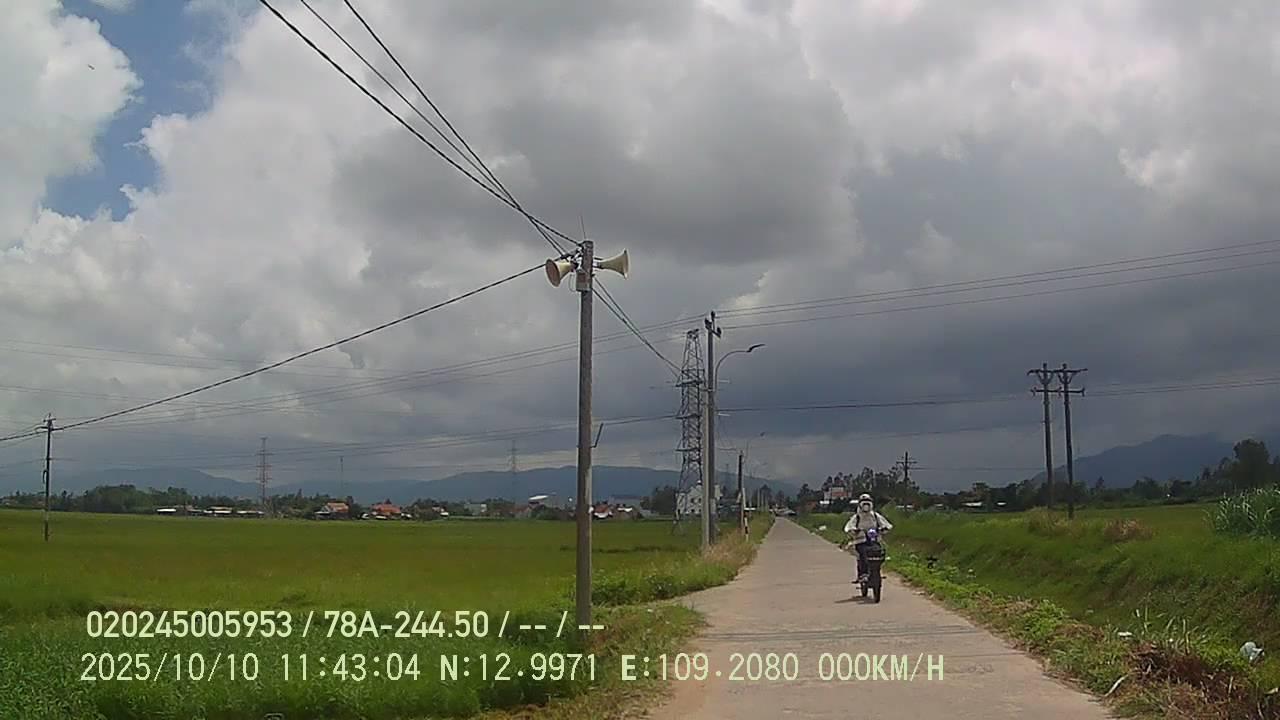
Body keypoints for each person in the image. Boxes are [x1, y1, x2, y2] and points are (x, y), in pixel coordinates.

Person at [843, 493, 893, 583]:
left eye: (868, 503)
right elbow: (849, 526)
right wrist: (854, 530)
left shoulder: (875, 516)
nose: (866, 506)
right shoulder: (857, 517)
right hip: (860, 541)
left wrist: (884, 528)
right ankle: (863, 574)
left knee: (879, 553)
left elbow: (886, 524)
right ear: (860, 505)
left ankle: (877, 571)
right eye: (864, 503)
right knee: (863, 555)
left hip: (874, 541)